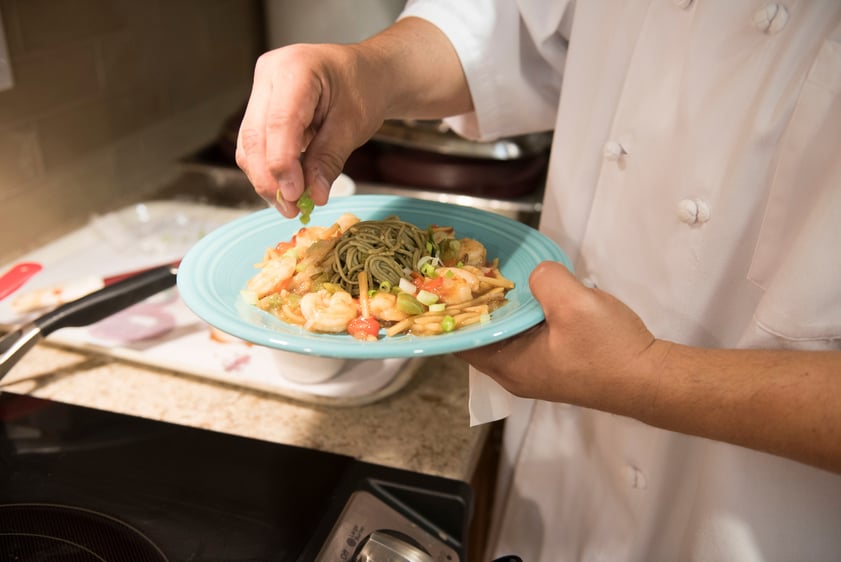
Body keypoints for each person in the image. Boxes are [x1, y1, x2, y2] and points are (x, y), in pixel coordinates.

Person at [236, 1, 841, 559]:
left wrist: (647, 377)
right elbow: (514, 26)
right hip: (564, 446)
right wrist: (364, 69)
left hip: (773, 505)